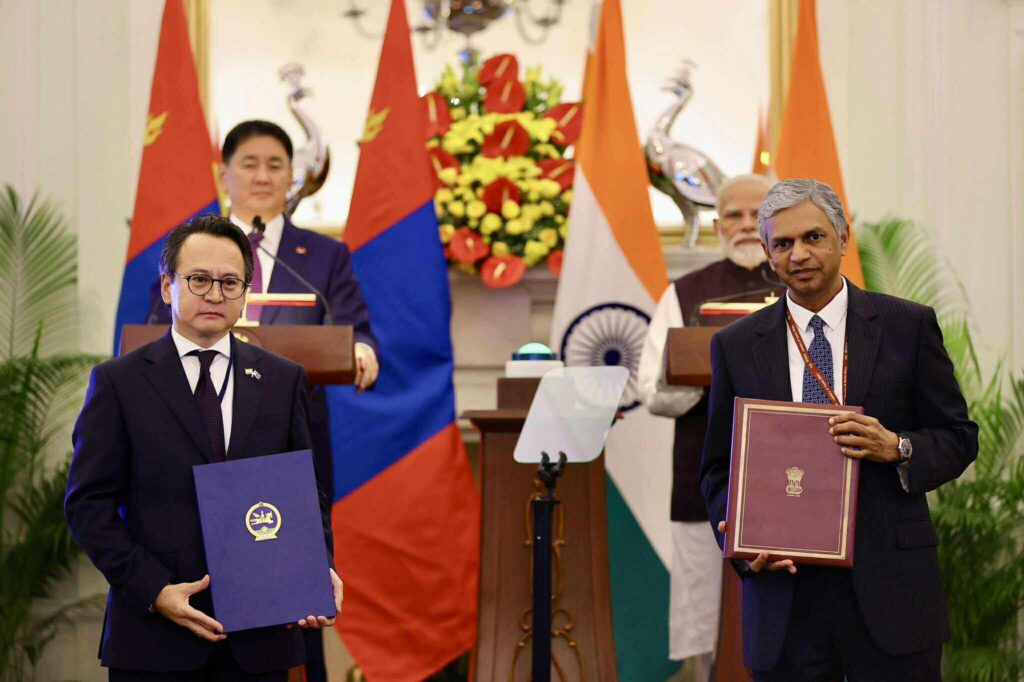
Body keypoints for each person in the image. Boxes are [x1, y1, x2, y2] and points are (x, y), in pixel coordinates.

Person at [699, 178, 978, 681]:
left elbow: (959, 436)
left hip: (890, 588)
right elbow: (719, 468)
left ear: (843, 237)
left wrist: (898, 446)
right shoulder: (736, 345)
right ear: (767, 252)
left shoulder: (907, 326)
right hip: (785, 597)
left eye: (813, 237)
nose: (799, 254)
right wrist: (739, 536)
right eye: (783, 243)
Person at [66, 216, 344, 681]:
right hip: (154, 641)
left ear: (246, 293)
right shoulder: (119, 382)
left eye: (230, 282)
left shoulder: (282, 379)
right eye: (199, 279)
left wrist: (317, 569)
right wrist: (155, 591)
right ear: (168, 287)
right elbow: (87, 506)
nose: (215, 294)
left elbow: (304, 495)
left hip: (260, 641)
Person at [151, 120, 378, 680]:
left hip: (287, 438)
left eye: (276, 164)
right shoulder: (191, 249)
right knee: (196, 556)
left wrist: (361, 349)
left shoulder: (321, 255)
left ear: (292, 176)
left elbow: (353, 324)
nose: (262, 175)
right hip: (193, 432)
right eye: (249, 163)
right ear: (224, 173)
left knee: (290, 569)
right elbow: (155, 331)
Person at [637, 174, 776, 679]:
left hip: (788, 478)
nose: (745, 225)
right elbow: (651, 390)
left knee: (786, 620)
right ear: (718, 226)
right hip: (704, 480)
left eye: (757, 214)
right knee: (706, 623)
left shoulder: (804, 284)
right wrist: (705, 373)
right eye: (733, 215)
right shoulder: (685, 293)